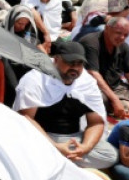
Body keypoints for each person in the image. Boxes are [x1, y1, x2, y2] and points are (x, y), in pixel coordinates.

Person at [13, 41, 118, 169]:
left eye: (80, 64)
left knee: (109, 155)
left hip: (73, 140)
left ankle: (56, 159)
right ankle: (57, 159)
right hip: (41, 137)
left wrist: (84, 148)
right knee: (23, 149)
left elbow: (96, 122)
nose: (75, 67)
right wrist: (55, 146)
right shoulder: (36, 79)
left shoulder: (86, 83)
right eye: (70, 62)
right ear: (56, 59)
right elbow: (26, 118)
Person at [79, 17, 129, 118]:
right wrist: (115, 100)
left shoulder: (123, 46)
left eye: (126, 35)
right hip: (94, 87)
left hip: (115, 86)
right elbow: (93, 73)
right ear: (107, 28)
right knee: (100, 100)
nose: (122, 37)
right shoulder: (91, 42)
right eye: (118, 33)